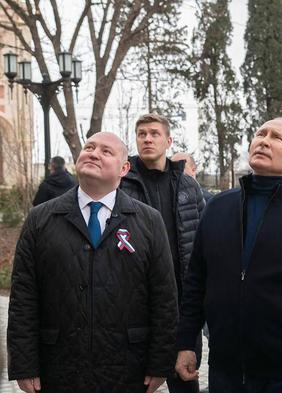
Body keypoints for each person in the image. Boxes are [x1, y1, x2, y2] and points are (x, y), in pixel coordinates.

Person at [175, 117, 282, 393]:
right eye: (260, 134)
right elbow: (196, 282)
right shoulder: (217, 208)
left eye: (276, 137)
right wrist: (185, 343)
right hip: (224, 372)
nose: (264, 140)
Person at [8, 132, 178, 393]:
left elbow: (164, 297)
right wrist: (24, 364)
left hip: (127, 369)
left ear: (124, 168)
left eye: (106, 151)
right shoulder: (40, 219)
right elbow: (23, 297)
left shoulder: (149, 221)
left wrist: (160, 363)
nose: (94, 153)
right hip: (58, 368)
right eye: (89, 147)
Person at [119, 113, 205, 393]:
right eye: (141, 133)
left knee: (185, 384)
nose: (147, 138)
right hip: (136, 304)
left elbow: (203, 240)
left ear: (167, 141)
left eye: (154, 133)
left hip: (182, 304)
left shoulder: (188, 185)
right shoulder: (121, 183)